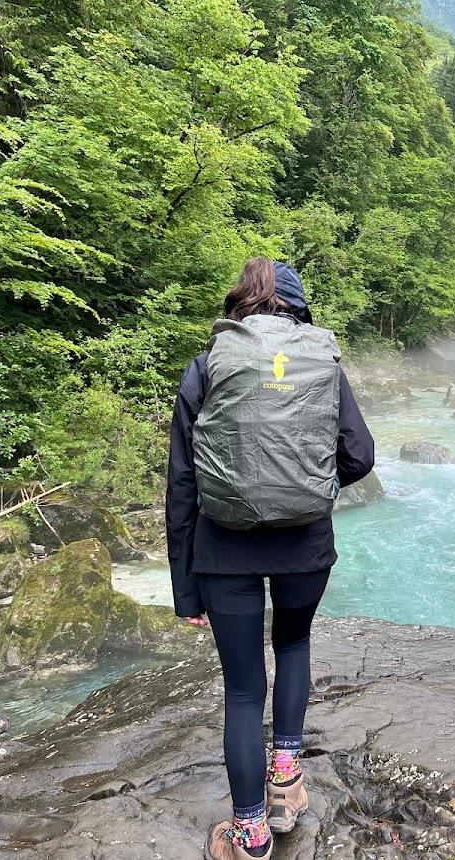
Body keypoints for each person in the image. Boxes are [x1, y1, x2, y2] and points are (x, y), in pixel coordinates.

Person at [167, 257, 375, 860]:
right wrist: (312, 479)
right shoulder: (323, 364)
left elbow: (182, 482)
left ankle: (250, 833)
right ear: (297, 305)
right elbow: (360, 456)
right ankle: (285, 779)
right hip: (305, 545)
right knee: (292, 645)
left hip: (222, 549)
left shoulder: (207, 367)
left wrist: (185, 590)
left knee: (240, 690)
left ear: (238, 305)